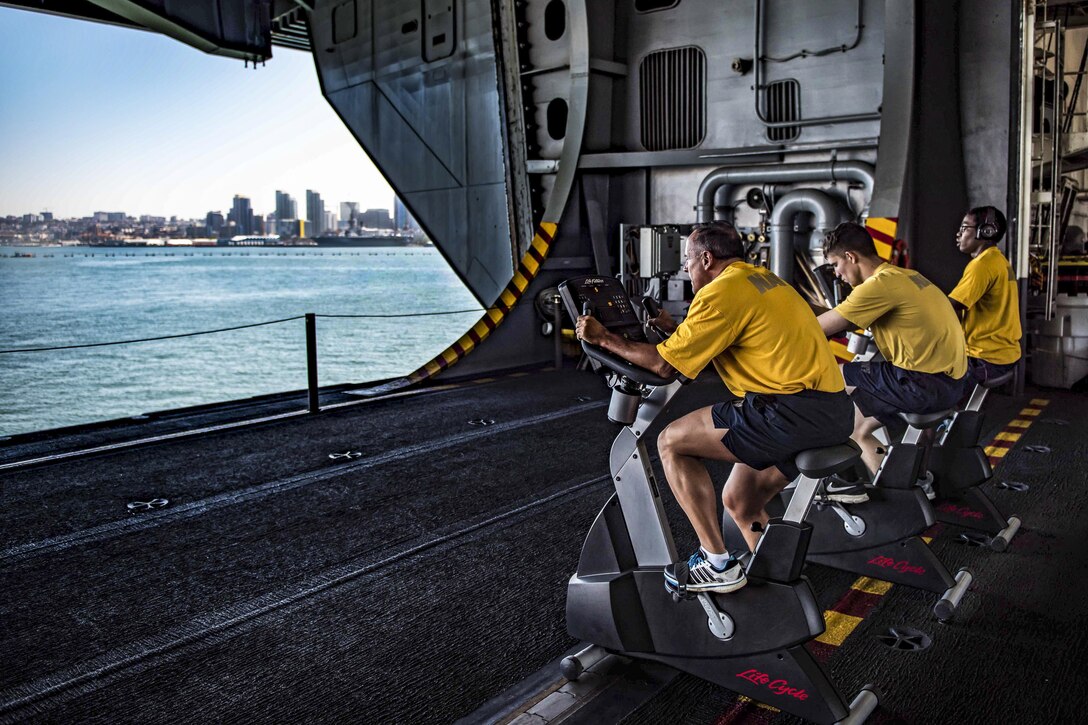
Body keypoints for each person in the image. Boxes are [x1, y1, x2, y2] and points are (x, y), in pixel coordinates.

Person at [575, 222, 853, 595]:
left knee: (672, 441)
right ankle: (779, 587)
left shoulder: (722, 291)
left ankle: (717, 563)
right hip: (831, 412)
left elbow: (662, 366)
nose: (687, 269)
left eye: (688, 260)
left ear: (707, 258)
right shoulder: (764, 280)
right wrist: (676, 331)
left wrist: (603, 338)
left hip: (788, 413)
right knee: (740, 500)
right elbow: (720, 343)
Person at [815, 222, 968, 481]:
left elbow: (816, 329)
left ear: (850, 257)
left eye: (836, 265)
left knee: (831, 375)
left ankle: (861, 481)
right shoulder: (905, 276)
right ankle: (912, 482)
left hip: (923, 384)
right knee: (857, 427)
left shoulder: (877, 286)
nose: (837, 274)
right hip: (949, 382)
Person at [950, 206, 1022, 386]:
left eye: (965, 228)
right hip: (1003, 354)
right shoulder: (997, 259)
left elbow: (952, 305)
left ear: (986, 232)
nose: (959, 234)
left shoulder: (982, 265)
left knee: (918, 381)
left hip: (985, 358)